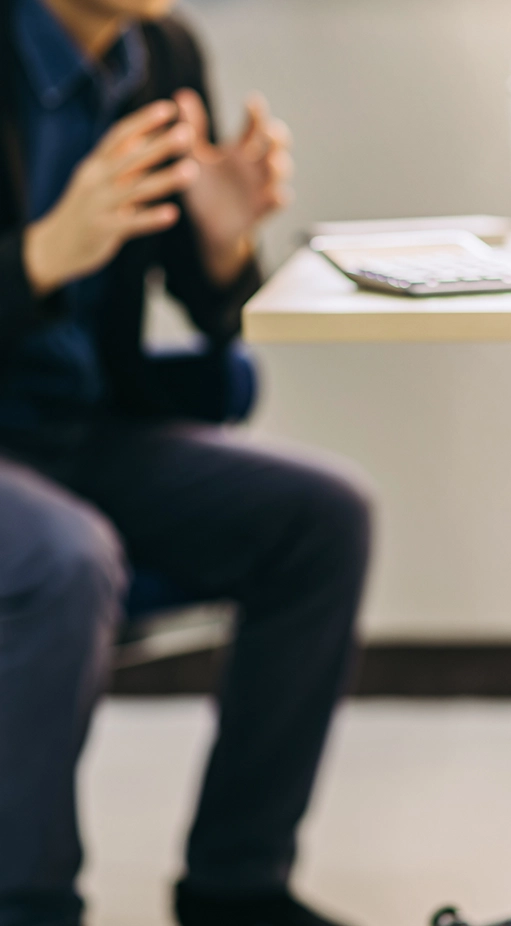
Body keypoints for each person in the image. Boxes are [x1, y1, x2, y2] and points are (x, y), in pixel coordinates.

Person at [0, 1, 373, 926]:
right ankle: (28, 903)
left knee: (322, 518)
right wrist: (38, 258)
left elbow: (207, 305)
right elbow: (53, 256)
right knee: (64, 558)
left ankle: (235, 887)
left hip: (82, 431)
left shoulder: (159, 55)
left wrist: (222, 241)